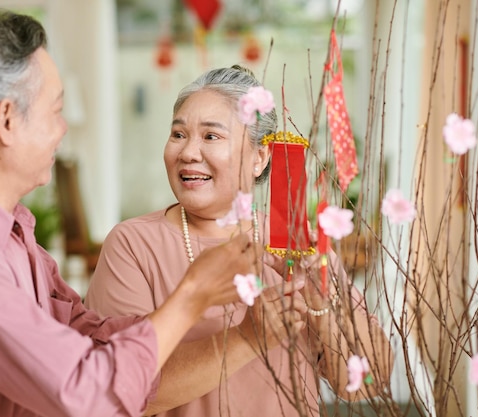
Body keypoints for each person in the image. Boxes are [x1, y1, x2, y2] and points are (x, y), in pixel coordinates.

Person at [0, 13, 264, 417]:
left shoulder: (8, 232)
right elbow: (88, 396)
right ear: (7, 121)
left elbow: (81, 329)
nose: (62, 129)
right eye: (55, 110)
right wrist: (190, 298)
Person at [85, 65, 393, 416]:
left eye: (211, 137)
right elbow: (117, 391)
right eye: (178, 134)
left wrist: (322, 305)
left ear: (260, 157)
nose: (188, 152)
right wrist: (249, 337)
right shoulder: (133, 245)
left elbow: (371, 380)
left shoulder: (298, 245)